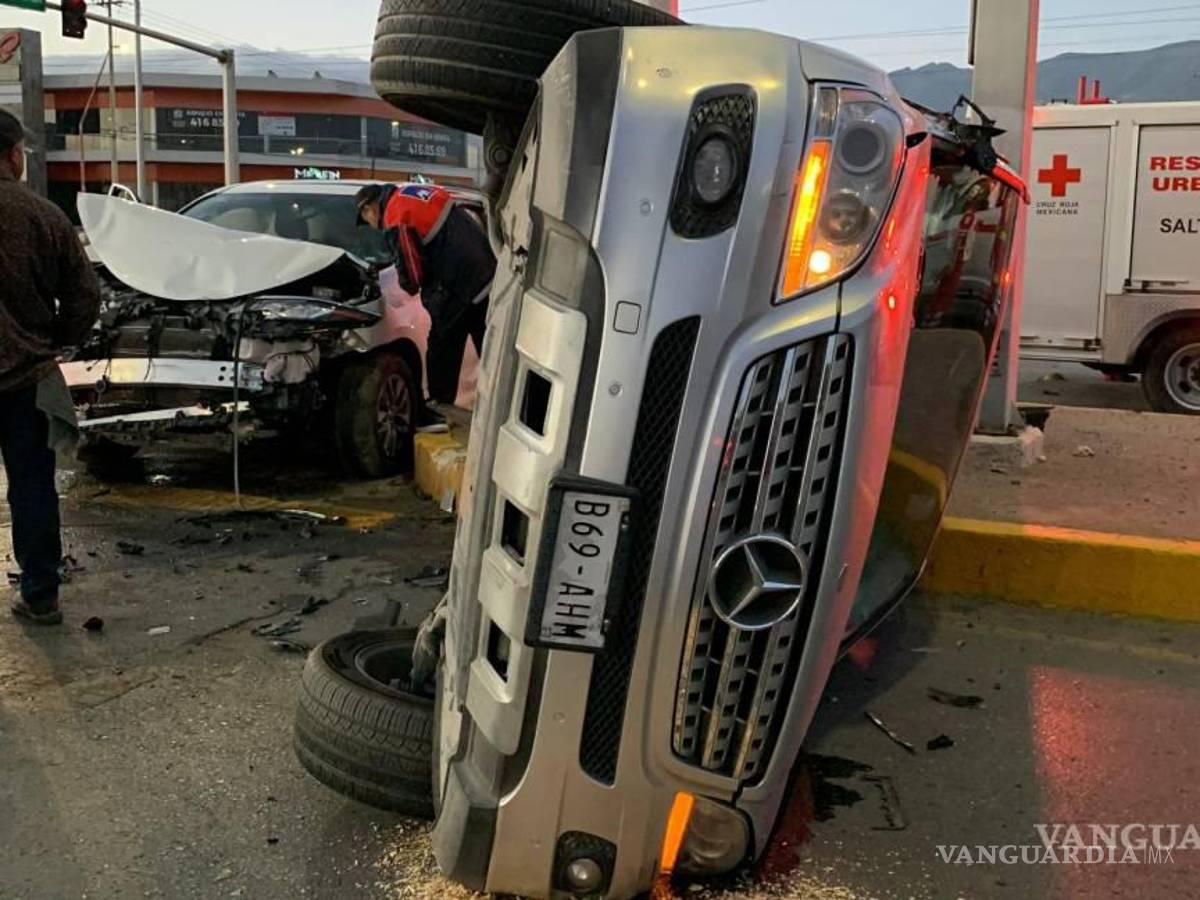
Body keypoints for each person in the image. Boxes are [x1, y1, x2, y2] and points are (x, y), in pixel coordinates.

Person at [0, 110, 102, 625]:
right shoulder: (44, 215)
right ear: (13, 155)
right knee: (32, 488)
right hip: (26, 379)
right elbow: (85, 296)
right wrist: (58, 342)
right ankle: (41, 595)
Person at [354, 183, 495, 413]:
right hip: (485, 274)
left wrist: (406, 285)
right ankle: (502, 405)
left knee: (442, 345)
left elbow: (411, 269)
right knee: (490, 348)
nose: (372, 226)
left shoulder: (396, 215)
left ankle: (440, 409)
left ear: (369, 209)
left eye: (367, 219)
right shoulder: (417, 192)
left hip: (458, 284)